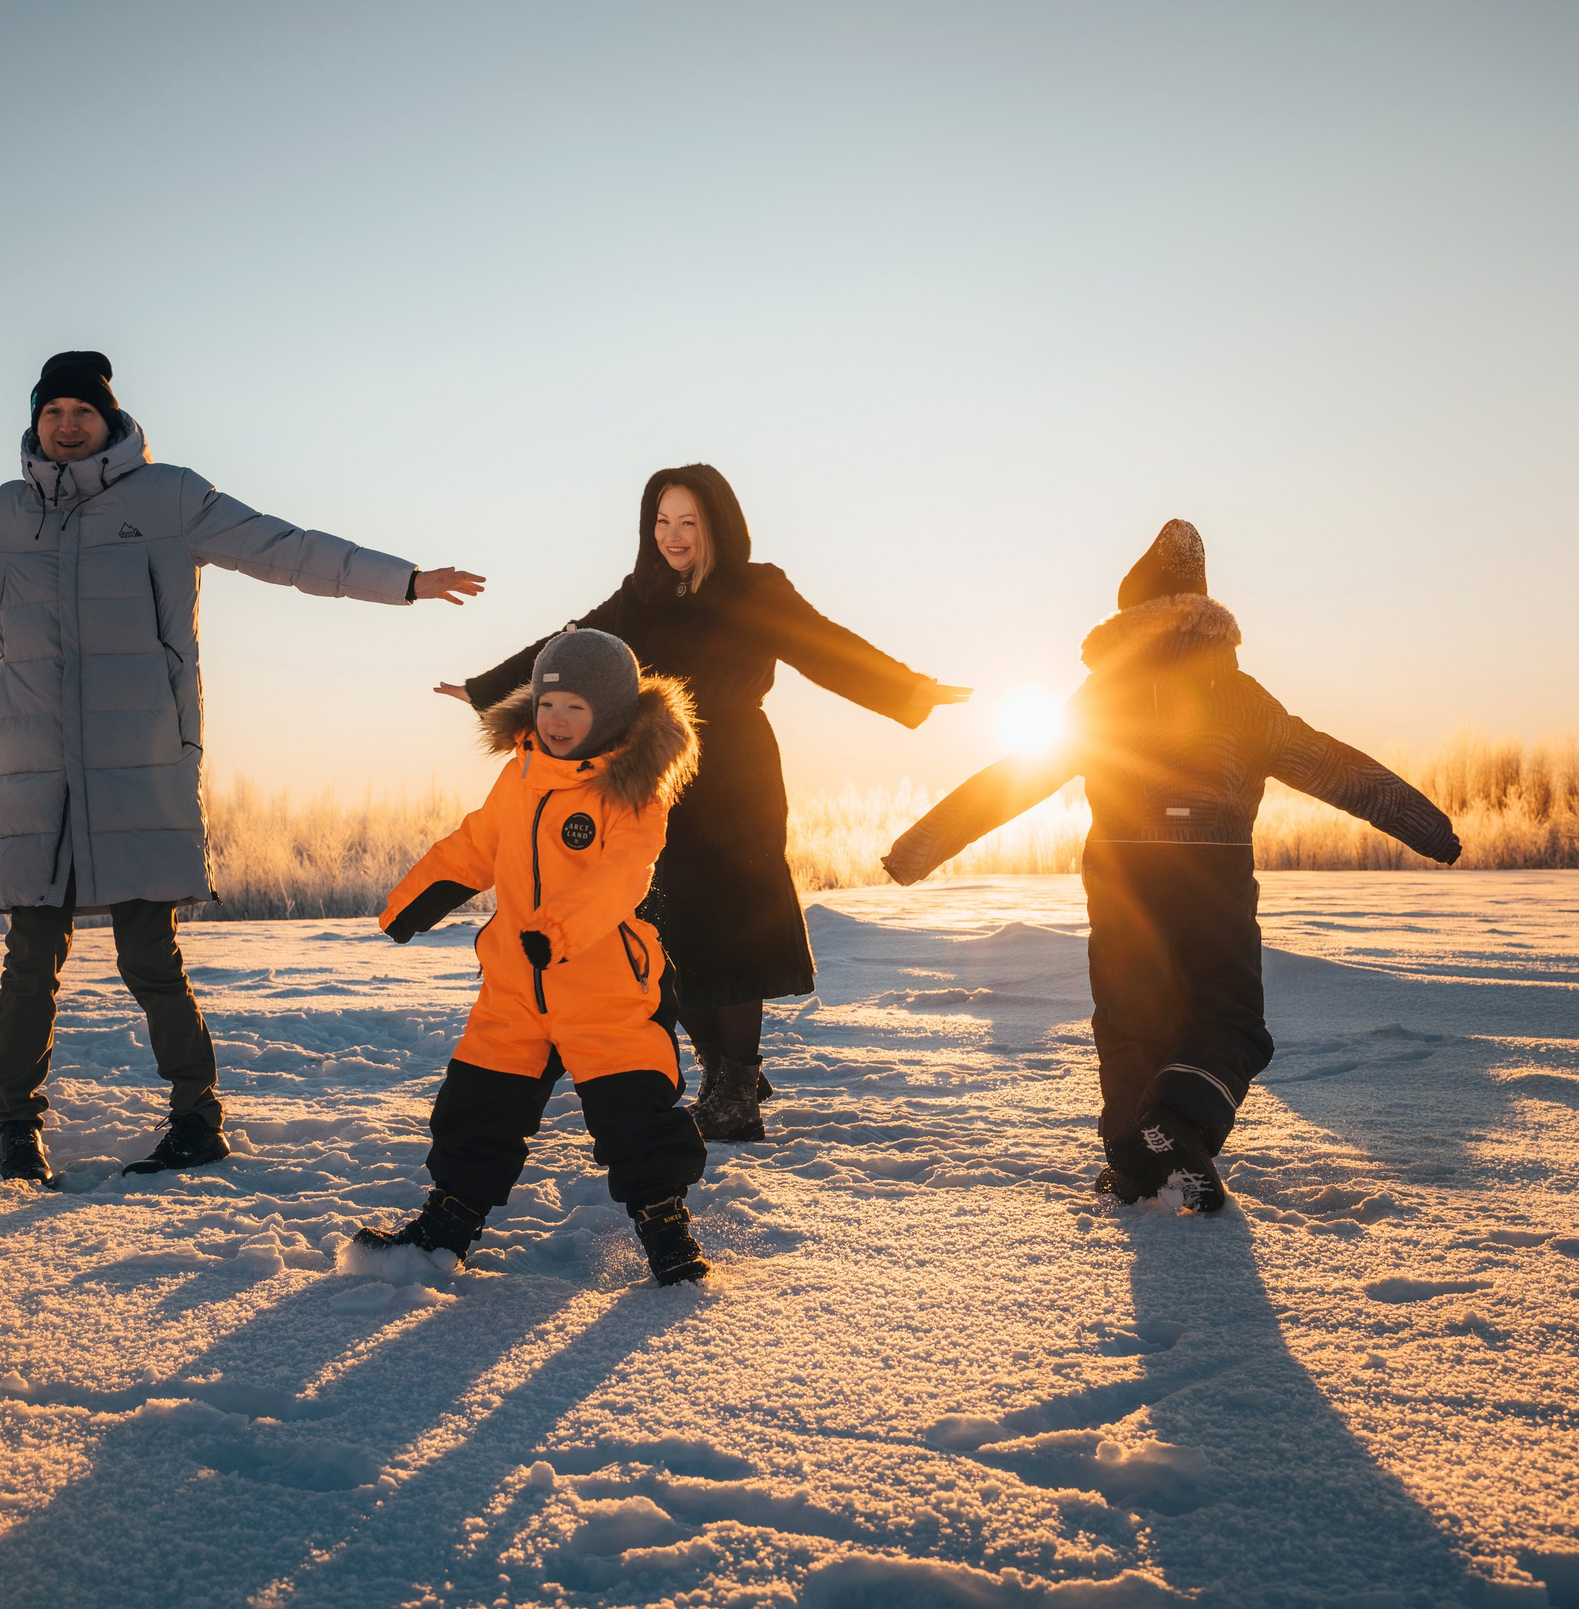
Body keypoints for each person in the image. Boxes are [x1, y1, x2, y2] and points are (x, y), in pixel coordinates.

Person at [0, 350, 485, 1188]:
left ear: (110, 419)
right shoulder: (2, 516)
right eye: (52, 412)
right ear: (35, 422)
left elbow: (287, 548)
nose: (66, 425)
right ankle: (15, 1129)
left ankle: (197, 1119)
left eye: (82, 412)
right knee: (29, 959)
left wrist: (405, 581)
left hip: (141, 765)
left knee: (149, 956)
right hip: (39, 775)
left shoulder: (170, 499)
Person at [880, 519, 1462, 1211]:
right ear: (1205, 609)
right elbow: (1335, 767)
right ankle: (1179, 1120)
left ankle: (1136, 1164)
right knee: (1229, 1016)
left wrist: (918, 848)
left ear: (1130, 616)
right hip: (1213, 876)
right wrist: (1430, 827)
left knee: (1130, 1020)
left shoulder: (1100, 700)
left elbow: (1013, 778)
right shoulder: (1244, 699)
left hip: (1123, 878)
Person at [442, 465, 968, 1143]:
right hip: (657, 770)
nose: (673, 536)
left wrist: (910, 689)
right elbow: (571, 648)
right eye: (662, 521)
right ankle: (722, 1066)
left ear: (717, 524)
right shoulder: (638, 597)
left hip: (738, 770)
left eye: (688, 522)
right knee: (660, 923)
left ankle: (737, 1088)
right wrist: (487, 688)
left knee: (733, 922)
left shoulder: (756, 588)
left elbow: (825, 646)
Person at [367, 628, 712, 1286]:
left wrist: (557, 931)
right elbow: (477, 844)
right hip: (516, 985)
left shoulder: (633, 793)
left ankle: (666, 1228)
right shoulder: (519, 774)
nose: (556, 720)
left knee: (634, 1112)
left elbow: (620, 876)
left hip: (604, 987)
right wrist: (412, 900)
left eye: (575, 708)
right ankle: (447, 1224)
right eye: (547, 704)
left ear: (609, 715)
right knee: (477, 1103)